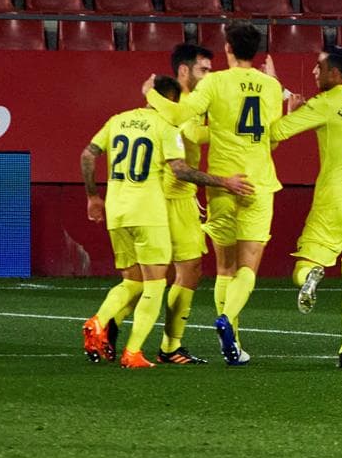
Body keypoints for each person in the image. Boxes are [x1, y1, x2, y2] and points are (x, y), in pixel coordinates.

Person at [81, 76, 253, 368]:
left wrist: (92, 196)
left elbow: (88, 154)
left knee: (132, 281)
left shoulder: (118, 120)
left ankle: (103, 321)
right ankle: (137, 349)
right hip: (150, 210)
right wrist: (224, 181)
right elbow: (181, 169)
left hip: (116, 210)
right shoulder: (167, 125)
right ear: (171, 100)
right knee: (156, 283)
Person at [141, 20, 284, 365]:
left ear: (228, 49)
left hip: (222, 183)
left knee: (224, 266)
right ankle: (228, 327)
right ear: (256, 50)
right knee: (248, 267)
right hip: (259, 183)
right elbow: (274, 140)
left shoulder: (215, 82)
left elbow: (181, 116)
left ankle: (230, 341)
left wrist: (150, 94)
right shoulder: (271, 86)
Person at [269, 46, 342, 368]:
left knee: (301, 269)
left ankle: (311, 274)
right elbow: (336, 118)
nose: (314, 72)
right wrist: (307, 108)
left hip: (335, 200)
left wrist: (287, 107)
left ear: (336, 73)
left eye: (320, 67)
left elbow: (275, 133)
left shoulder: (325, 103)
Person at [154, 43, 214, 364]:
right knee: (186, 270)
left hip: (167, 193)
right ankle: (170, 346)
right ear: (184, 71)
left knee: (159, 273)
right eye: (204, 69)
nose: (209, 75)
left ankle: (107, 328)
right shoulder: (185, 102)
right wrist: (233, 130)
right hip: (173, 194)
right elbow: (193, 133)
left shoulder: (172, 100)